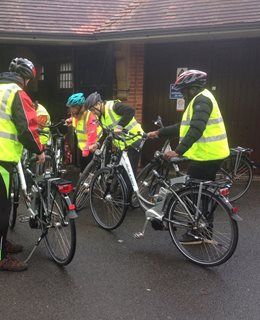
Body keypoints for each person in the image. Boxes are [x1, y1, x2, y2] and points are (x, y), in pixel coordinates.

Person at [147, 70, 230, 239]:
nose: (183, 95)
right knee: (201, 193)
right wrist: (159, 132)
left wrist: (178, 151)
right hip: (210, 155)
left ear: (192, 89)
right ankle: (205, 230)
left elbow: (196, 128)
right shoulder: (200, 99)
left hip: (207, 156)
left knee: (190, 192)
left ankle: (197, 231)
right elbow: (183, 126)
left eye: (184, 91)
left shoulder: (201, 100)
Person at [0, 57, 45, 271]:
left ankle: (3, 244)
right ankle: (1, 257)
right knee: (2, 210)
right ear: (26, 79)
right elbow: (27, 128)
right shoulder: (17, 93)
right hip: (2, 159)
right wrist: (39, 151)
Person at [84, 92, 144, 176]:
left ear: (98, 103)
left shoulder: (113, 106)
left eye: (93, 110)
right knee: (118, 171)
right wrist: (97, 144)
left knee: (129, 174)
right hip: (123, 144)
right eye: (91, 111)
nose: (93, 113)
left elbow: (130, 111)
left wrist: (120, 126)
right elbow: (107, 133)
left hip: (134, 140)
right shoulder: (101, 116)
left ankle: (132, 189)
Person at [66, 92, 101, 172]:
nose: (71, 110)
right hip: (83, 147)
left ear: (80, 107)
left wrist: (86, 150)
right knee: (83, 171)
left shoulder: (90, 117)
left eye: (73, 107)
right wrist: (70, 121)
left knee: (91, 172)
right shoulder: (76, 115)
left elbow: (91, 135)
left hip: (93, 147)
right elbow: (76, 120)